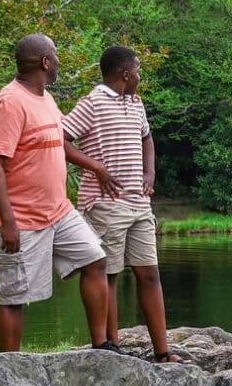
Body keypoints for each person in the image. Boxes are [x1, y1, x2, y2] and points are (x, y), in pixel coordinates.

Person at [0, 34, 113, 353]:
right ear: (44, 62)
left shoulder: (46, 98)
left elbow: (60, 144)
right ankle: (9, 369)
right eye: (56, 55)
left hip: (58, 211)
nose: (58, 61)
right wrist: (7, 222)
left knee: (95, 260)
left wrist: (95, 166)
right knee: (14, 296)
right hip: (20, 217)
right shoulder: (10, 102)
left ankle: (102, 347)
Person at [62, 45, 184, 363]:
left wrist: (150, 171)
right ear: (126, 73)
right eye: (138, 69)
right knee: (109, 276)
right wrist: (96, 167)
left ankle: (163, 351)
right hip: (105, 204)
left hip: (139, 204)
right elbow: (61, 139)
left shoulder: (137, 103)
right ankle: (111, 347)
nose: (140, 75)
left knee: (149, 274)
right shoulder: (93, 102)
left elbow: (147, 138)